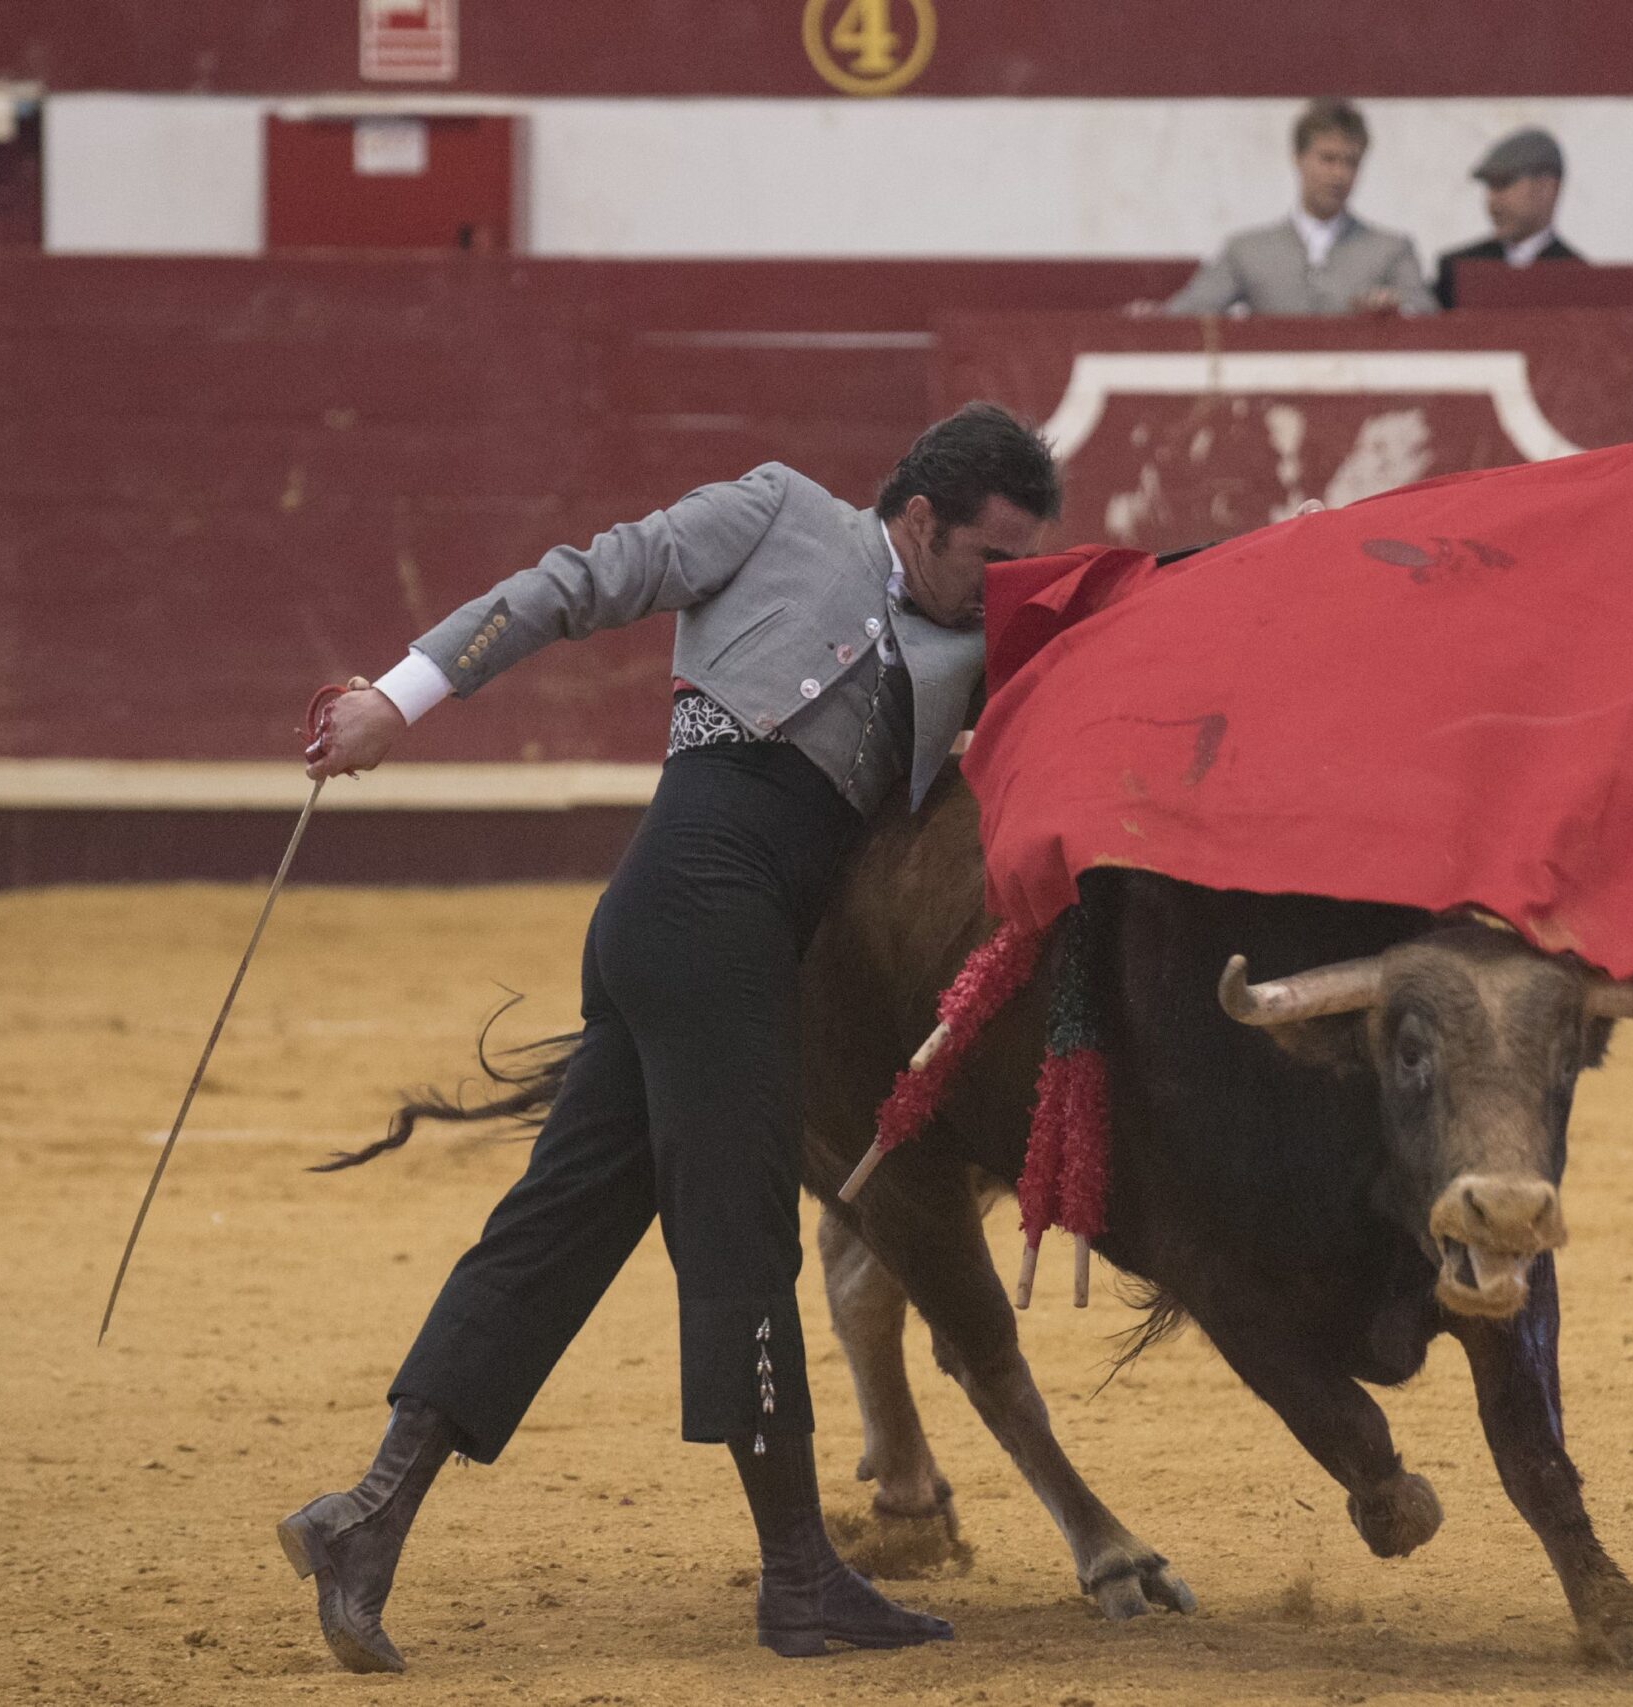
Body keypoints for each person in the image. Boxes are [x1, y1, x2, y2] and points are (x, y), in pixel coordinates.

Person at [280, 403, 1061, 1671]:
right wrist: (399, 696)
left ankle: (366, 1517)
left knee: (562, 1222)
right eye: (989, 554)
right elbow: (571, 586)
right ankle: (801, 1579)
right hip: (698, 909)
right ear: (921, 519)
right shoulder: (773, 511)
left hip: (716, 937)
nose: (999, 583)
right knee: (744, 1234)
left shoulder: (966, 636)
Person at [1156, 98, 1436, 317]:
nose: (1339, 174)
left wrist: (1397, 310)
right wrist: (1148, 318)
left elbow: (1427, 315)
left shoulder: (1391, 249)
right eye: (1327, 159)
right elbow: (1189, 311)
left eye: (1350, 162)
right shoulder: (1248, 250)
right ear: (1298, 159)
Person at [1433, 126, 1587, 310]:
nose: (1493, 200)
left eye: (1503, 184)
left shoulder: (1578, 277)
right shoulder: (1457, 270)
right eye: (1490, 187)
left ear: (1546, 189)